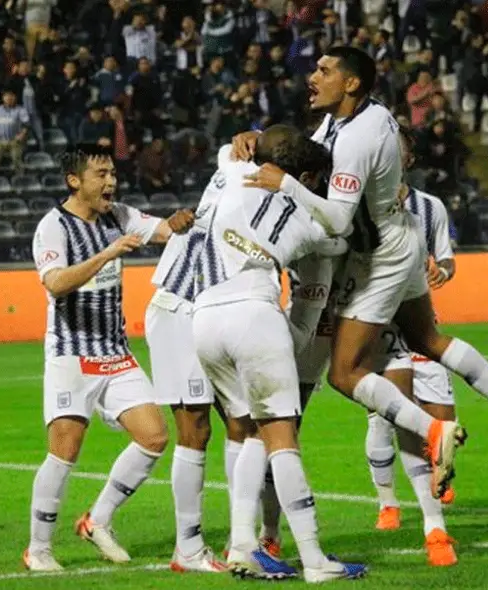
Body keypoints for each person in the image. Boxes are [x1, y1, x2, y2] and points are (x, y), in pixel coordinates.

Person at [237, 46, 488, 497]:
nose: (313, 77)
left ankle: (433, 432)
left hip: (379, 256)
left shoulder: (357, 138)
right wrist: (257, 136)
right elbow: (308, 150)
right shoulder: (353, 117)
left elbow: (340, 220)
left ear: (351, 83)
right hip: (400, 238)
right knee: (428, 339)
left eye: (324, 71)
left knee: (344, 373)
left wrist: (283, 182)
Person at [193, 125, 365, 582]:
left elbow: (225, 150)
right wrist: (298, 190)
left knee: (249, 431)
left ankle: (243, 545)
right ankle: (314, 560)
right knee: (281, 438)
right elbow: (342, 233)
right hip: (254, 312)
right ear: (307, 177)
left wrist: (246, 137)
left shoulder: (232, 173)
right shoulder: (309, 219)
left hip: (205, 318)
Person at [23, 143, 195, 572]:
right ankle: (39, 549)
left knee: (154, 437)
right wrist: (106, 255)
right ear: (74, 181)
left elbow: (163, 230)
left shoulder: (118, 214)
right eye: (101, 174)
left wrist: (178, 221)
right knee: (65, 448)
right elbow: (56, 283)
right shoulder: (53, 227)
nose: (111, 181)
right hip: (71, 352)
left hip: (114, 352)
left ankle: (97, 519)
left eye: (113, 173)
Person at [144, 144, 250, 573]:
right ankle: (187, 548)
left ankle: (243, 538)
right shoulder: (236, 167)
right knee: (196, 427)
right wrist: (248, 136)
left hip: (217, 313)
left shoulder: (268, 197)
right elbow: (231, 145)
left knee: (244, 422)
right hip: (179, 307)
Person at [363, 131, 459, 566]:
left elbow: (448, 258)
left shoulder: (430, 206)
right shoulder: (361, 202)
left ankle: (436, 479)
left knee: (442, 421)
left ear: (408, 158)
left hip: (422, 326)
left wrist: (444, 270)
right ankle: (394, 506)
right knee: (389, 419)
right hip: (378, 330)